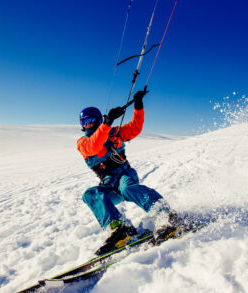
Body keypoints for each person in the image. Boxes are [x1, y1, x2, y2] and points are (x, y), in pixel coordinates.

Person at [77, 90, 180, 255]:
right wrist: (107, 123)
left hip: (125, 175)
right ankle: (121, 229)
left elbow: (135, 128)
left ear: (97, 120)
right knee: (90, 194)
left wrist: (138, 105)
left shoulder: (113, 133)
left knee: (128, 189)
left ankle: (167, 216)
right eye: (84, 122)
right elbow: (94, 146)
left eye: (90, 121)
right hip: (109, 184)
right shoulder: (83, 143)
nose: (87, 125)